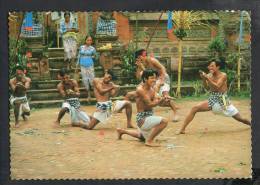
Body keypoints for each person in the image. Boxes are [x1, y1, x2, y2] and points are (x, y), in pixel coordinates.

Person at [177, 59, 251, 134]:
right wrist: (203, 79)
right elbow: (206, 88)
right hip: (213, 98)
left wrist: (207, 78)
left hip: (223, 100)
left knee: (240, 119)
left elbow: (217, 86)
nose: (210, 67)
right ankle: (182, 129)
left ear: (218, 67)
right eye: (209, 66)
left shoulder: (223, 75)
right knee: (195, 108)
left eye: (212, 66)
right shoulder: (209, 75)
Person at [117, 69, 169, 147]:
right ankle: (149, 141)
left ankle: (122, 131)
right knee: (164, 121)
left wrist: (164, 99)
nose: (154, 80)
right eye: (152, 78)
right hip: (142, 119)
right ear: (145, 79)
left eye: (155, 78)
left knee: (141, 137)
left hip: (149, 117)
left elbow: (157, 102)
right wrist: (160, 100)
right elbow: (150, 104)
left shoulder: (152, 89)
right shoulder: (140, 90)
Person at [135, 49, 179, 121]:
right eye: (137, 59)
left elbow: (163, 68)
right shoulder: (141, 64)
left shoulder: (152, 60)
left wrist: (162, 79)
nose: (139, 60)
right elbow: (140, 76)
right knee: (157, 99)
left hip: (162, 77)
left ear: (141, 56)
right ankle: (146, 111)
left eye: (139, 58)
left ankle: (176, 114)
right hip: (152, 80)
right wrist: (139, 67)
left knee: (165, 95)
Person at [76, 35, 96, 102]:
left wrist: (92, 57)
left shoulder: (92, 48)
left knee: (92, 79)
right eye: (88, 40)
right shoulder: (81, 47)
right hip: (82, 65)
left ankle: (96, 94)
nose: (89, 41)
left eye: (90, 40)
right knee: (85, 79)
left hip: (90, 65)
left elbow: (96, 56)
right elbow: (79, 56)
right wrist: (77, 66)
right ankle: (89, 95)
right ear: (85, 40)